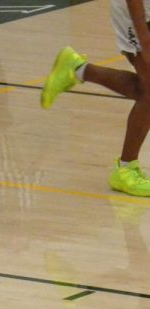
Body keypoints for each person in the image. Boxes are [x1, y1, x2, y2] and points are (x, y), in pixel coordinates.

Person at [41, 0, 150, 196]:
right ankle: (125, 170)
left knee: (146, 91)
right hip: (136, 13)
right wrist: (144, 37)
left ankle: (77, 69)